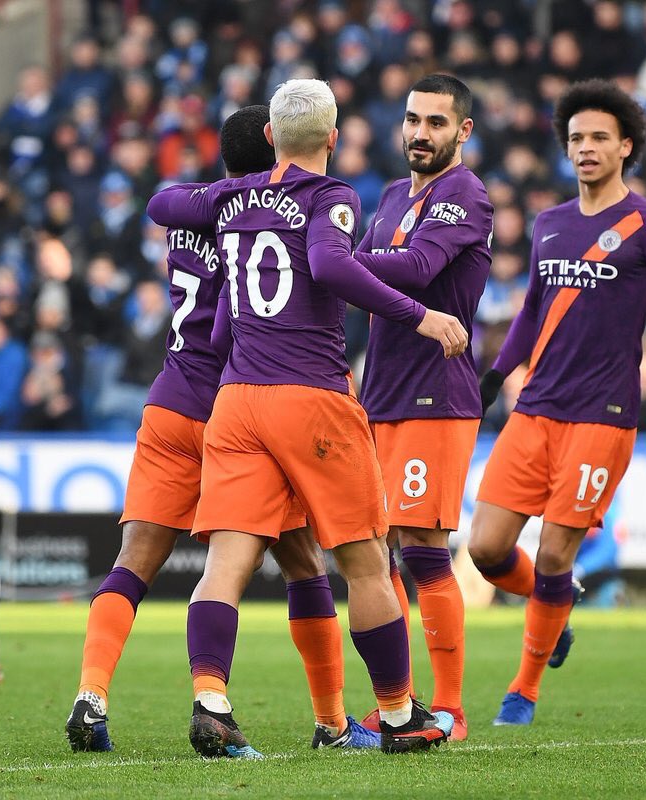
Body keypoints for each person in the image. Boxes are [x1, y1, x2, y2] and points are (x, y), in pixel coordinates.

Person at [146, 79, 466, 756]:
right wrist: (420, 313)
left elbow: (161, 203)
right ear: (333, 137)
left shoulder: (234, 196)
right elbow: (326, 263)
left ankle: (212, 699)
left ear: (268, 137)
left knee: (227, 563)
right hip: (311, 396)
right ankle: (399, 715)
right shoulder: (334, 198)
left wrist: (230, 194)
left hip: (236, 404)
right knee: (365, 561)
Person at [65, 105, 378, 754]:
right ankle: (331, 721)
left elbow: (161, 201)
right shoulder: (268, 212)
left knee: (133, 563)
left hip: (168, 401)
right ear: (278, 151)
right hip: (243, 409)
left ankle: (91, 696)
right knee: (301, 565)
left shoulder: (191, 213)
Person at [473, 79, 646, 726]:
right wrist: (495, 378)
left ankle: (522, 690)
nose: (585, 148)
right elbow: (529, 312)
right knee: (486, 551)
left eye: (599, 137)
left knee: (553, 554)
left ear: (626, 145)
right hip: (536, 408)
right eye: (576, 138)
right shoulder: (548, 224)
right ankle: (560, 607)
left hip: (602, 416)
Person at [349, 74, 491, 741]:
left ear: (462, 131)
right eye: (413, 120)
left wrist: (341, 261)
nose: (420, 133)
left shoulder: (465, 194)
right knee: (378, 556)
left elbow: (417, 266)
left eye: (437, 123)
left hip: (437, 394)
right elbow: (380, 278)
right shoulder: (387, 197)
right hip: (381, 394)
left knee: (425, 551)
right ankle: (398, 705)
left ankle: (453, 710)